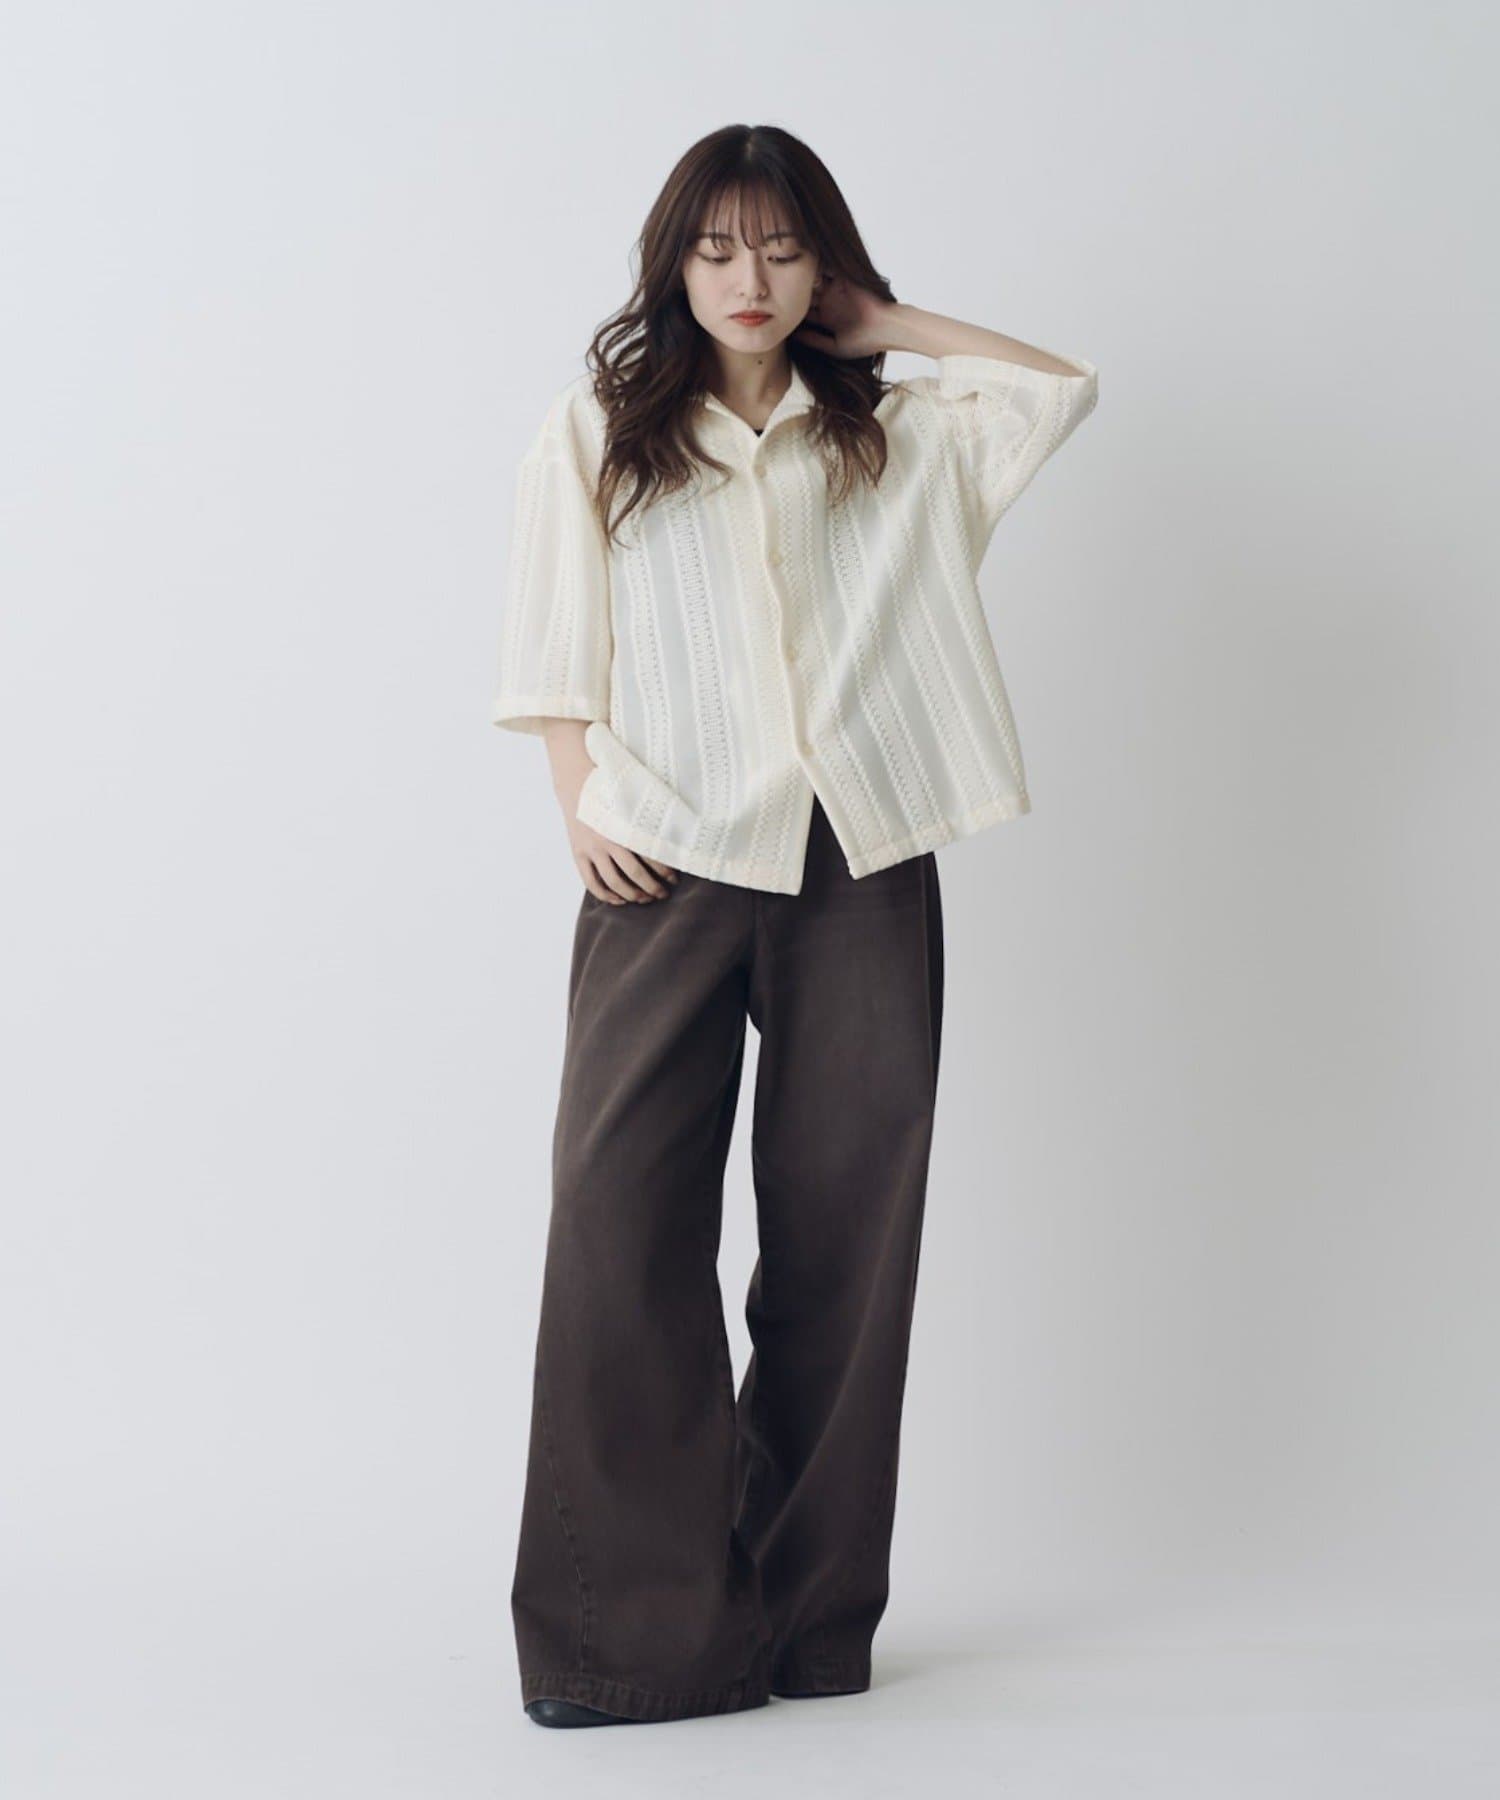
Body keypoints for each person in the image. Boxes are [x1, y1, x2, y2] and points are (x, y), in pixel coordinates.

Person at [490, 123, 1098, 1729]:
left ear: (822, 263)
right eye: (715, 250)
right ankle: (632, 1647)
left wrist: (889, 325)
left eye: (778, 247)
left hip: (863, 852)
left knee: (845, 1242)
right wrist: (579, 800)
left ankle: (811, 1623)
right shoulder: (603, 430)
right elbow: (552, 645)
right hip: (669, 856)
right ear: (673, 266)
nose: (746, 279)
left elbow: (1058, 392)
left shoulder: (896, 435)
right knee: (618, 1225)